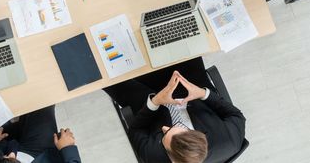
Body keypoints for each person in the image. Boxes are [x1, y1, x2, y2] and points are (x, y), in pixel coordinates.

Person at [102, 58, 246, 163]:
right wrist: (203, 94)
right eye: (176, 128)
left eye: (164, 136)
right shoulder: (230, 142)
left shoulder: (155, 159)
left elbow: (135, 129)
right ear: (197, 134)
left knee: (103, 69)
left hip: (146, 100)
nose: (164, 128)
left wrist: (155, 102)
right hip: (191, 86)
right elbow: (235, 115)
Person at [0, 106, 81, 163]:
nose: (12, 154)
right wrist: (67, 149)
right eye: (11, 157)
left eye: (8, 156)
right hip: (39, 153)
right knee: (42, 105)